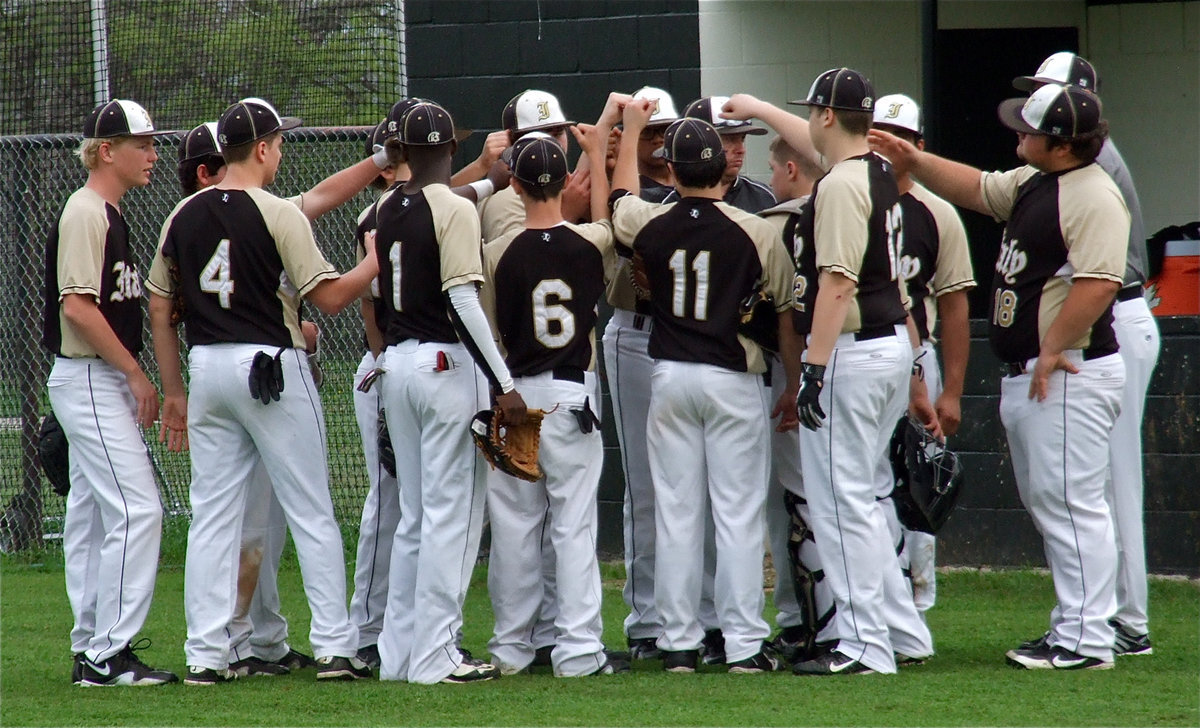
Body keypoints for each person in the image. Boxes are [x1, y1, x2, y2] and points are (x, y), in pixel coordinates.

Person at [870, 82, 1128, 670]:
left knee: (1072, 504)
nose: (1018, 134)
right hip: (1043, 375)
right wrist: (914, 161)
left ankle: (1088, 639)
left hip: (1069, 372)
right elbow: (979, 189)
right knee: (1055, 504)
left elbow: (1099, 282)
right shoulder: (1043, 180)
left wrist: (1051, 346)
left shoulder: (1091, 194)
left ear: (1061, 146)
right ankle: (1073, 626)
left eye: (1029, 129)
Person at [147, 97, 378, 685]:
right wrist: (372, 264)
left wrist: (172, 389)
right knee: (311, 508)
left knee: (212, 519)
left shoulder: (183, 214)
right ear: (263, 148)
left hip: (207, 370)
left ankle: (205, 654)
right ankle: (332, 647)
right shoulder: (278, 212)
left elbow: (160, 306)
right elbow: (327, 298)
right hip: (270, 366)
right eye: (279, 142)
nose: (281, 151)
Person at [725, 70, 937, 676]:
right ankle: (902, 632)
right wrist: (763, 106)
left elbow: (837, 283)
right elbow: (816, 141)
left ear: (826, 115)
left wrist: (811, 370)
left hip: (854, 350)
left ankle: (865, 646)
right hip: (890, 343)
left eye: (812, 110)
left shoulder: (844, 183)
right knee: (867, 496)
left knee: (841, 502)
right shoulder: (874, 167)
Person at [611, 102, 802, 674]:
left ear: (668, 170)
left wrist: (622, 139)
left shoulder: (647, 222)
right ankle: (744, 644)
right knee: (738, 514)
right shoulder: (757, 230)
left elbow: (621, 200)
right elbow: (787, 314)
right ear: (724, 168)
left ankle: (678, 644)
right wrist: (793, 382)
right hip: (731, 376)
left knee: (675, 512)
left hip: (668, 374)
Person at [370, 100, 527, 684]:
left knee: (414, 516)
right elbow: (462, 300)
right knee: (453, 518)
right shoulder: (452, 209)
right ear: (452, 149)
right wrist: (504, 384)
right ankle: (436, 658)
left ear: (402, 152)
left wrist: (490, 182)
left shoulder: (387, 206)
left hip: (398, 365)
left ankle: (398, 656)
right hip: (444, 367)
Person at [1012, 52, 1159, 657]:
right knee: (1090, 486)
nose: (1033, 104)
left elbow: (1097, 278)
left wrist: (1053, 343)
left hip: (1110, 315)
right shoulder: (1056, 169)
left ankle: (1123, 622)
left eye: (1046, 93)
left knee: (1109, 482)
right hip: (1104, 316)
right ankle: (1103, 617)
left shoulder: (1092, 163)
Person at [480, 114, 623, 677]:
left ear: (514, 184)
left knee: (515, 529)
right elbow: (609, 222)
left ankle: (512, 650)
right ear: (567, 183)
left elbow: (488, 327)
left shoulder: (495, 251)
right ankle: (579, 652)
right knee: (572, 527)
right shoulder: (592, 241)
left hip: (516, 394)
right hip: (571, 397)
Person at [44, 99, 177, 687]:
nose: (152, 154)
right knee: (139, 509)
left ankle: (90, 646)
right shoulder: (86, 212)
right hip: (92, 377)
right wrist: (136, 374)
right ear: (106, 150)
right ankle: (107, 653)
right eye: (141, 144)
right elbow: (77, 307)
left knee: (95, 517)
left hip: (96, 378)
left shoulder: (108, 212)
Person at [871, 93, 976, 615]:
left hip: (918, 354)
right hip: (867, 352)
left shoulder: (938, 214)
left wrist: (952, 390)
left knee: (918, 476)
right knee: (872, 477)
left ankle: (918, 596)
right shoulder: (852, 196)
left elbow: (955, 306)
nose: (889, 150)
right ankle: (883, 590)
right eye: (879, 138)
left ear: (918, 146)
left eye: (901, 141)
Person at [601, 85, 680, 662]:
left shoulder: (705, 189)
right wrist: (616, 132)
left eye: (663, 131)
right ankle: (648, 619)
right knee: (646, 487)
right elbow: (613, 205)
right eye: (646, 131)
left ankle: (696, 615)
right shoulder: (624, 192)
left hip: (693, 341)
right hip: (635, 330)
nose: (656, 142)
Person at [756, 135, 835, 662]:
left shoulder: (774, 224)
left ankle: (820, 625)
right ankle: (816, 620)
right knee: (853, 496)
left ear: (790, 169)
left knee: (803, 500)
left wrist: (791, 381)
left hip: (795, 371)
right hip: (854, 360)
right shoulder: (856, 210)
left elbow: (780, 313)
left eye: (773, 167)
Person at [673, 95, 776, 213]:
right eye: (728, 139)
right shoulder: (666, 203)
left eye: (742, 138)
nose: (741, 150)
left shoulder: (765, 197)